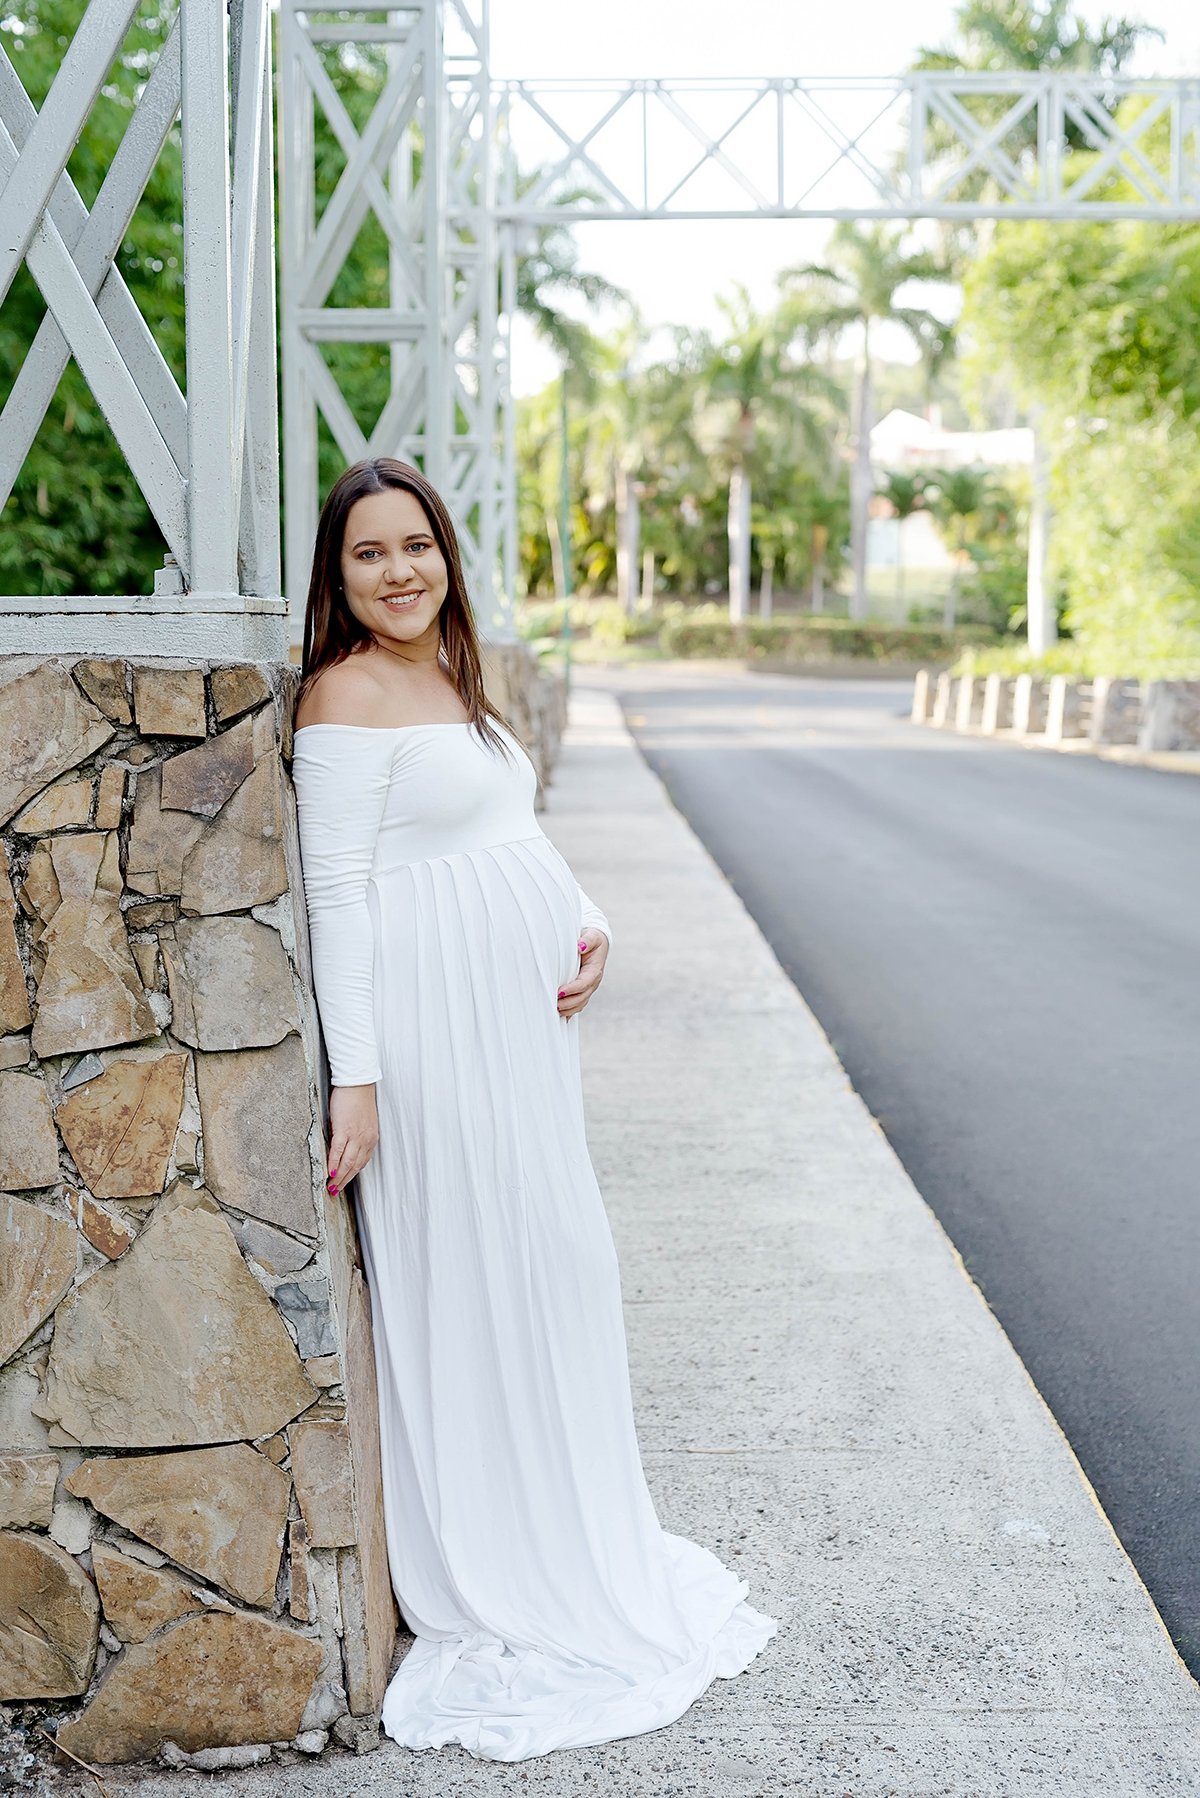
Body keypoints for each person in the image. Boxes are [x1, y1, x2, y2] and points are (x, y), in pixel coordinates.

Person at [289, 456, 777, 1761]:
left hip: (521, 1042)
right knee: (483, 1282)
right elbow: (339, 896)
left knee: (562, 1269)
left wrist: (591, 920)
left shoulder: (458, 673)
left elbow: (519, 832)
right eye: (370, 554)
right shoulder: (340, 696)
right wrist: (360, 1076)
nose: (400, 571)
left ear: (445, 551)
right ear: (337, 579)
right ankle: (505, 1562)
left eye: (417, 545)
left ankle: (574, 1526)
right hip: (437, 1048)